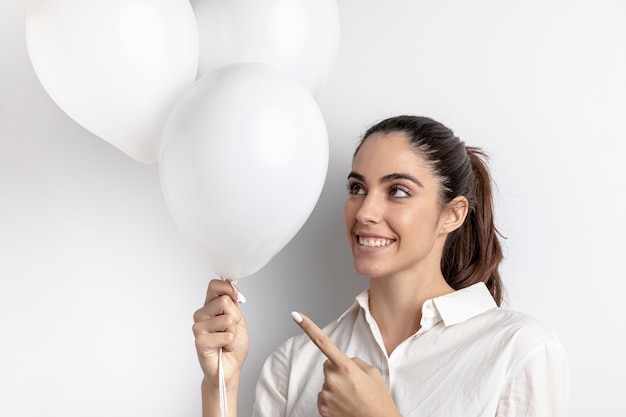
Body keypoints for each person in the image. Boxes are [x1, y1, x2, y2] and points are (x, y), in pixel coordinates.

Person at [192, 115, 570, 417]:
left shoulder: (517, 349)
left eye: (398, 191)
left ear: (452, 215)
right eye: (357, 188)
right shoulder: (295, 363)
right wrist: (221, 385)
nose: (366, 212)